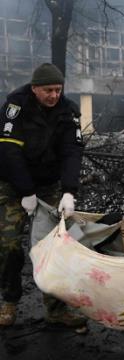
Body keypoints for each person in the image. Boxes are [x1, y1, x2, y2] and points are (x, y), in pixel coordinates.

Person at [0, 63, 86, 329]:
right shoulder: (15, 108)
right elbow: (8, 152)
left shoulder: (69, 111)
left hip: (48, 187)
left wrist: (69, 191)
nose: (53, 95)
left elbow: (72, 152)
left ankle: (56, 310)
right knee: (9, 246)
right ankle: (9, 304)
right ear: (35, 88)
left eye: (58, 90)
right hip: (12, 187)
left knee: (52, 250)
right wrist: (26, 192)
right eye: (48, 90)